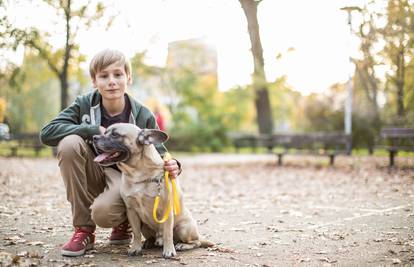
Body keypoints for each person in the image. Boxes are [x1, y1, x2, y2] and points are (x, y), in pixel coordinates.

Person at [39, 49, 181, 257]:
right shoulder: (84, 104)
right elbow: (47, 133)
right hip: (95, 167)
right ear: (94, 81)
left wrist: (174, 163)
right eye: (104, 76)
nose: (111, 81)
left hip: (126, 178)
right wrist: (89, 129)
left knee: (104, 214)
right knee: (69, 144)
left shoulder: (142, 114)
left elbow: (158, 153)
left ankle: (125, 222)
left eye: (118, 75)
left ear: (128, 78)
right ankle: (84, 230)